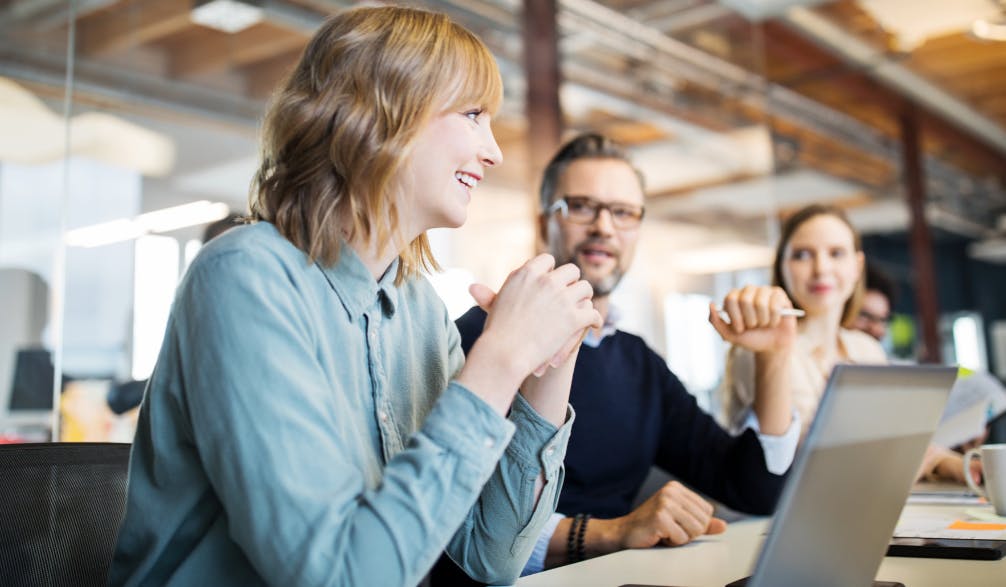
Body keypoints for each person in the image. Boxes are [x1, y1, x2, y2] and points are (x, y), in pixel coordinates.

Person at [108, 7, 602, 586]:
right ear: (383, 112)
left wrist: (548, 365)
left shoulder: (417, 309)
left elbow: (491, 556)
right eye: (473, 115)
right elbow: (339, 576)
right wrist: (499, 359)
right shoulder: (245, 277)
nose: (493, 151)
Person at [432, 133, 799, 583]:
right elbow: (457, 524)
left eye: (623, 212)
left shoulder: (639, 363)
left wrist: (774, 358)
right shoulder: (476, 338)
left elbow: (753, 490)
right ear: (543, 218)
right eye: (582, 206)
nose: (604, 226)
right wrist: (610, 533)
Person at [720, 203, 971, 483]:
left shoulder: (865, 348)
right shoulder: (760, 349)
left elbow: (895, 441)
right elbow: (801, 462)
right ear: (782, 266)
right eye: (802, 255)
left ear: (857, 266)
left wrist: (963, 467)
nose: (821, 268)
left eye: (836, 253)